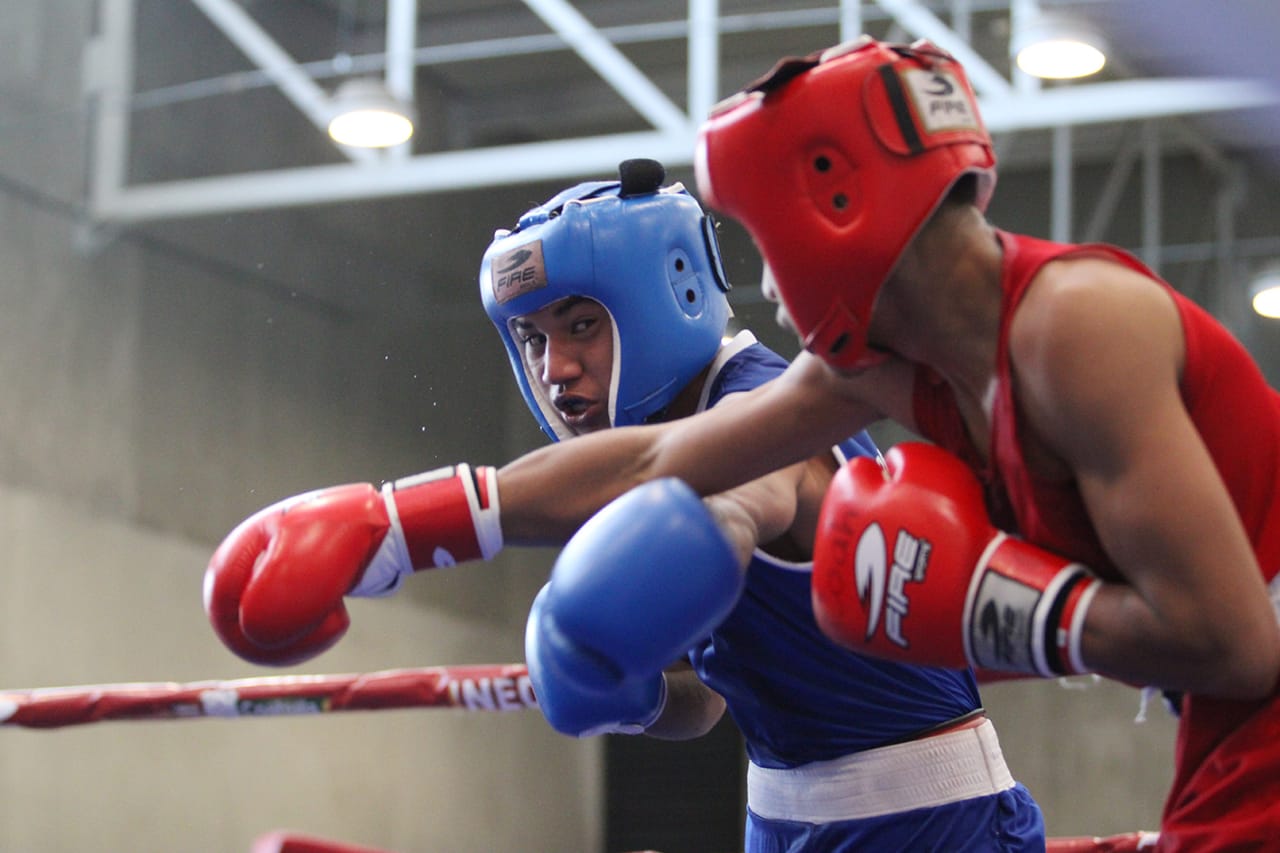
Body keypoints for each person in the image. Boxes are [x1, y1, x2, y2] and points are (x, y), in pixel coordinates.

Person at [534, 37, 1279, 851]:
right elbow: (655, 478)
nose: (769, 284)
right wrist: (434, 515)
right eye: (533, 341)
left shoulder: (1071, 329)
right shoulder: (909, 373)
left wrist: (990, 605)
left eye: (771, 239)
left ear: (842, 209)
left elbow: (1232, 645)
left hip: (947, 808)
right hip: (802, 809)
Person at [203, 159, 1046, 850]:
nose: (555, 368)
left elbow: (705, 489)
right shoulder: (652, 472)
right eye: (532, 338)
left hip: (932, 826)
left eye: (580, 326)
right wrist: (635, 696)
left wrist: (397, 525)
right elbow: (707, 701)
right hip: (782, 820)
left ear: (669, 295)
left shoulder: (758, 412)